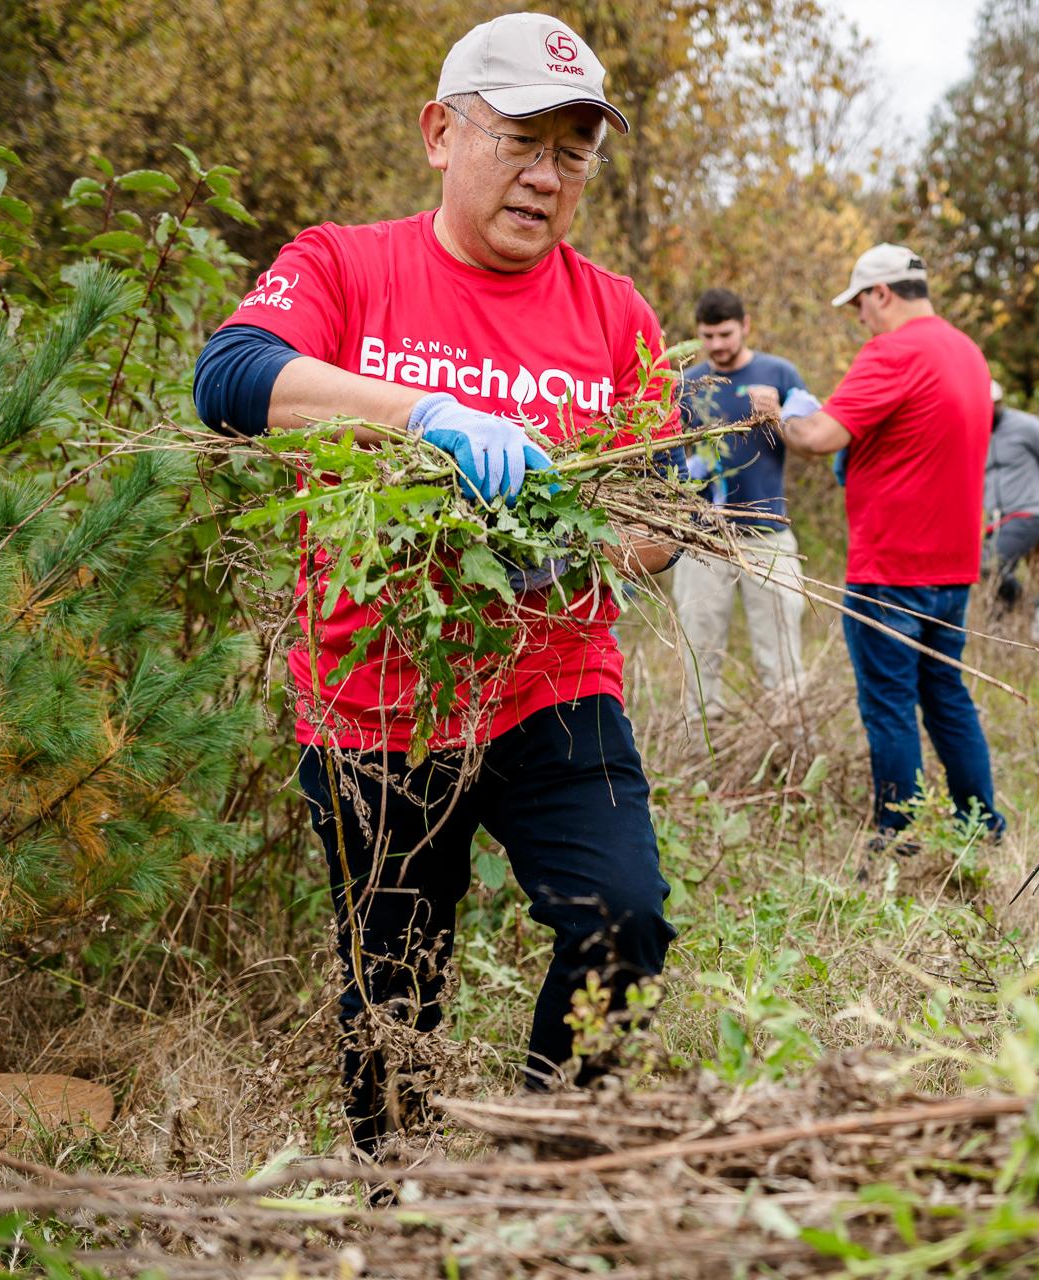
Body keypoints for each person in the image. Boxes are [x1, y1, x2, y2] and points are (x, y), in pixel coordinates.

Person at [191, 12, 678, 1155]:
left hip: (551, 684)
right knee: (395, 989)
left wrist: (580, 547)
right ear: (440, 133)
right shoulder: (346, 265)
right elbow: (231, 375)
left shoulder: (618, 315)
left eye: (574, 150)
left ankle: (541, 1174)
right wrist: (426, 416)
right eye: (519, 139)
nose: (546, 175)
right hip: (373, 701)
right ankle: (395, 1201)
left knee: (625, 919)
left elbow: (660, 514)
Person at [777, 245, 1004, 845]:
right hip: (954, 570)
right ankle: (980, 824)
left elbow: (821, 436)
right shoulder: (968, 354)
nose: (859, 319)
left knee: (889, 706)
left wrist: (776, 415)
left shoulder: (892, 352)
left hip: (890, 570)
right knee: (947, 697)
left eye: (859, 304)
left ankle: (896, 833)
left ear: (882, 293)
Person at [673, 288, 810, 725]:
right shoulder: (688, 384)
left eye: (725, 334)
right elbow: (669, 458)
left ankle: (789, 744)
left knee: (781, 649)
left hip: (767, 535)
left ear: (745, 325)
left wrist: (777, 417)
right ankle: (700, 745)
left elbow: (813, 442)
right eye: (708, 336)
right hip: (703, 539)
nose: (717, 345)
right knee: (699, 644)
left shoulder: (780, 374)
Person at [983, 379, 1039, 633]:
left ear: (998, 403)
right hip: (995, 520)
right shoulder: (978, 433)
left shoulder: (1027, 427)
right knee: (994, 577)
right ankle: (1002, 634)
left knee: (991, 566)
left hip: (1027, 514)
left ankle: (1035, 607)